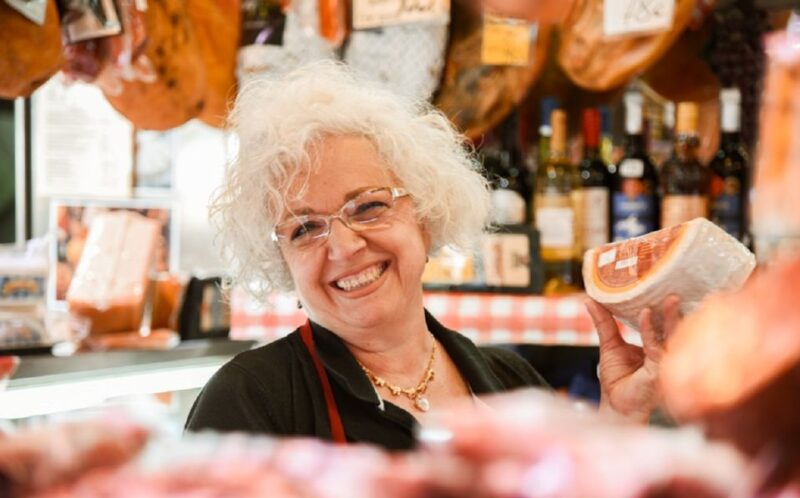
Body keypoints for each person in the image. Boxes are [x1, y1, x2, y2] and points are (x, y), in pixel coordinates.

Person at [185, 62, 679, 449]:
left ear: (424, 215)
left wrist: (620, 421)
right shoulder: (251, 399)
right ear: (282, 261)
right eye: (305, 228)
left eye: (369, 207)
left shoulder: (509, 382)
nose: (345, 245)